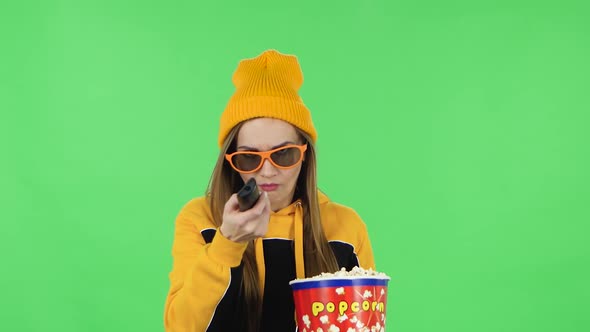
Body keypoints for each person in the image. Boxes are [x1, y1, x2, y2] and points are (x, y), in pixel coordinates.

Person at [163, 49, 376, 332]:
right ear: (231, 160)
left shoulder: (346, 228)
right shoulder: (200, 220)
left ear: (305, 155)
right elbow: (181, 327)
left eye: (283, 154)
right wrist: (226, 243)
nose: (266, 171)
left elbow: (366, 324)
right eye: (249, 158)